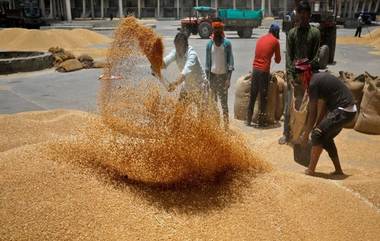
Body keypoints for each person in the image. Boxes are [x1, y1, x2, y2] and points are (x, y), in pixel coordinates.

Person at [279, 0, 320, 144]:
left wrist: (308, 71)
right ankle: (287, 133)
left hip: (308, 77)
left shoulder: (315, 33)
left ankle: (304, 135)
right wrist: (290, 75)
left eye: (305, 15)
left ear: (309, 15)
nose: (302, 18)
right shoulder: (291, 33)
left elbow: (316, 56)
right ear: (297, 15)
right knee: (289, 106)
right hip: (294, 77)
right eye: (299, 15)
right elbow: (289, 55)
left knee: (307, 107)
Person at [299, 72, 357, 176]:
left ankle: (311, 170)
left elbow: (313, 113)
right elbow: (324, 107)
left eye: (300, 78)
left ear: (303, 76)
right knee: (325, 137)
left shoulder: (313, 84)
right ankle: (338, 170)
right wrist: (318, 124)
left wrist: (306, 135)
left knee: (317, 134)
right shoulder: (318, 80)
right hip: (349, 111)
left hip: (343, 110)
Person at [246, 23, 281, 127]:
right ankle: (261, 122)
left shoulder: (261, 38)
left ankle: (248, 120)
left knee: (253, 95)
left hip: (255, 69)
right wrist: (274, 57)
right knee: (263, 96)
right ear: (276, 32)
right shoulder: (275, 41)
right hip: (264, 71)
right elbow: (278, 60)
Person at [162, 32, 209, 105]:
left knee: (201, 114)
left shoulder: (192, 55)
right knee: (179, 111)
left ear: (185, 45)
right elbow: (165, 61)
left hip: (200, 86)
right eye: (176, 46)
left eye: (179, 46)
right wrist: (157, 64)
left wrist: (174, 84)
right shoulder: (175, 52)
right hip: (187, 86)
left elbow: (184, 74)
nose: (177, 49)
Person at [205, 21, 234, 129]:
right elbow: (207, 65)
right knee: (213, 104)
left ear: (221, 31)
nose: (217, 32)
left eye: (219, 30)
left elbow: (231, 62)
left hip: (223, 77)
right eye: (215, 30)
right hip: (212, 77)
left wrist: (228, 79)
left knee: (224, 104)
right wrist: (207, 80)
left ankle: (226, 127)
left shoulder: (226, 44)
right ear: (213, 31)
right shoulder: (209, 45)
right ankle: (216, 126)